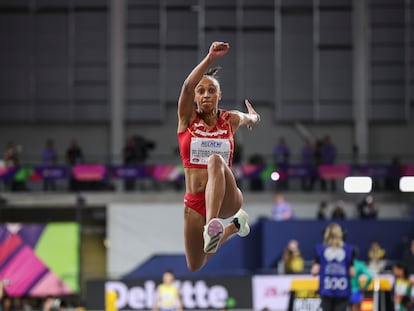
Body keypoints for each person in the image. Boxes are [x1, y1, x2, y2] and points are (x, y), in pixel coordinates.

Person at [177, 41, 260, 271]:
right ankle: (233, 227)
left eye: (211, 90)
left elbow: (250, 118)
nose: (205, 95)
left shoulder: (230, 119)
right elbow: (186, 85)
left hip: (227, 199)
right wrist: (210, 59)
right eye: (201, 91)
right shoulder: (187, 119)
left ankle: (212, 225)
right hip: (195, 203)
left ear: (219, 95)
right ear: (194, 97)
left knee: (215, 160)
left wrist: (254, 117)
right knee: (195, 265)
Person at [311, 223, 354, 311]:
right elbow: (352, 273)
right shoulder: (348, 249)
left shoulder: (320, 249)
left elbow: (314, 271)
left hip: (326, 289)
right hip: (343, 290)